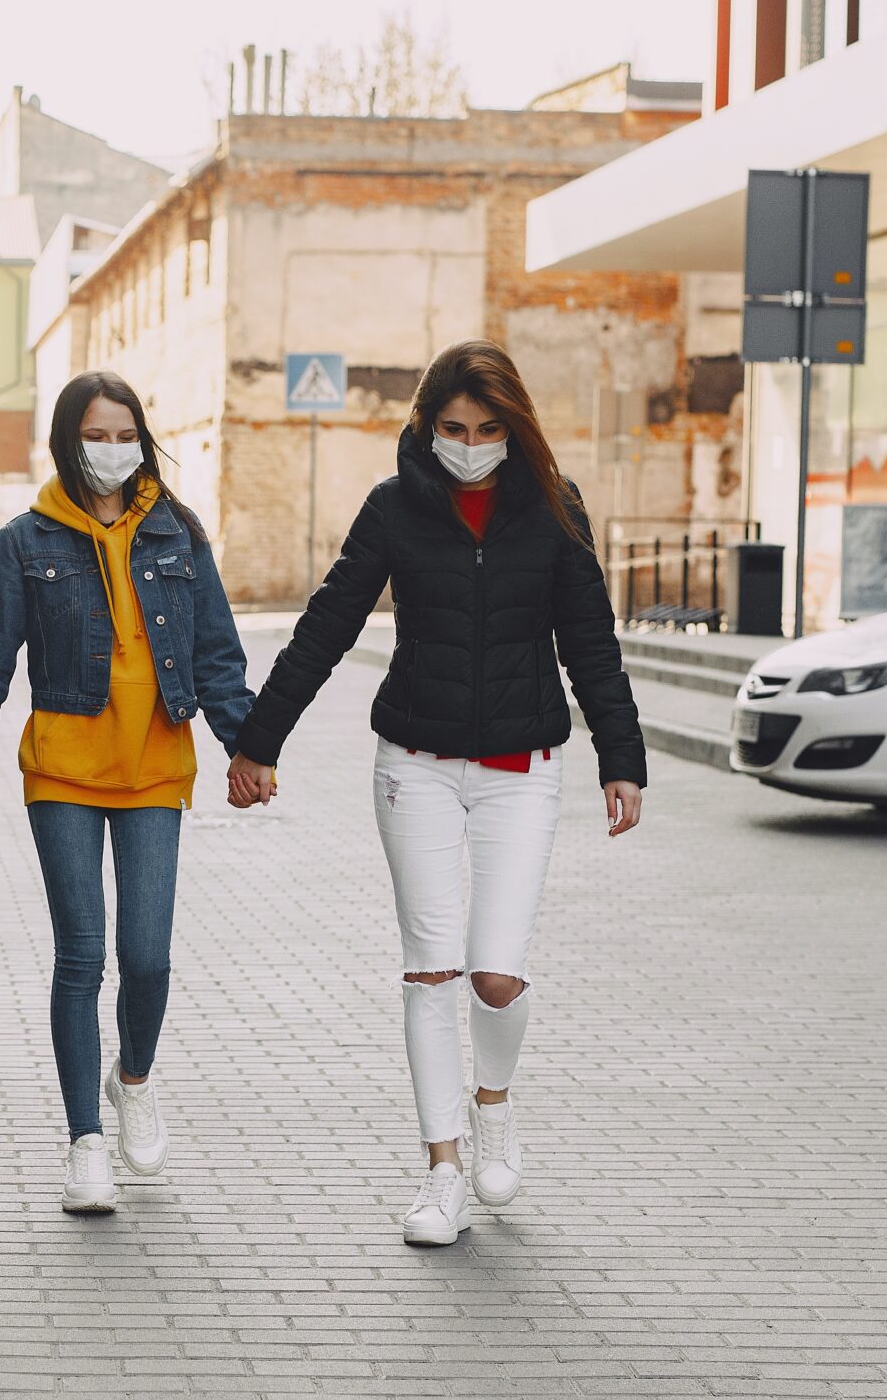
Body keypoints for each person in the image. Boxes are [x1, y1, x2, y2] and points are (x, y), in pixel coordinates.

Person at [227, 340, 644, 1247]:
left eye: (490, 429)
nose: (470, 444)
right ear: (426, 425)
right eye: (454, 428)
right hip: (412, 762)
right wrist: (260, 740)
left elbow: (591, 640)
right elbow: (328, 621)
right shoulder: (395, 506)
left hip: (520, 772)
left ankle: (494, 1104)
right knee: (431, 968)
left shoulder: (554, 508)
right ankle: (443, 1170)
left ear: (516, 428)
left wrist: (623, 755)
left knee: (495, 973)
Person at [0, 371, 254, 1215]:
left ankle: (133, 1077)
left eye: (126, 435)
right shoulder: (23, 540)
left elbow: (218, 651)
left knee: (147, 956)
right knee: (82, 955)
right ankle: (84, 1143)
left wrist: (247, 748)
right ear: (68, 441)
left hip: (156, 768)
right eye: (97, 434)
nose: (113, 450)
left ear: (143, 441)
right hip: (63, 770)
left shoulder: (178, 533)